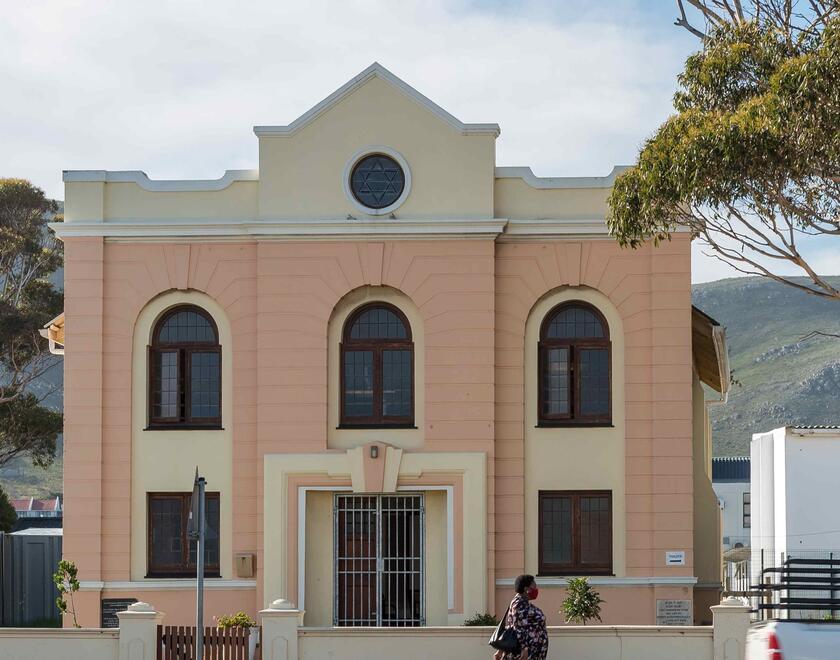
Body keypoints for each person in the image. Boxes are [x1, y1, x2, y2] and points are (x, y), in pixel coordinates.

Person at [494, 574, 549, 660]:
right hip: (526, 652)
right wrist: (525, 649)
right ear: (526, 589)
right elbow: (518, 627)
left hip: (534, 651)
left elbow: (511, 625)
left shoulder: (524, 602)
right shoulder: (519, 603)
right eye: (534, 587)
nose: (536, 589)